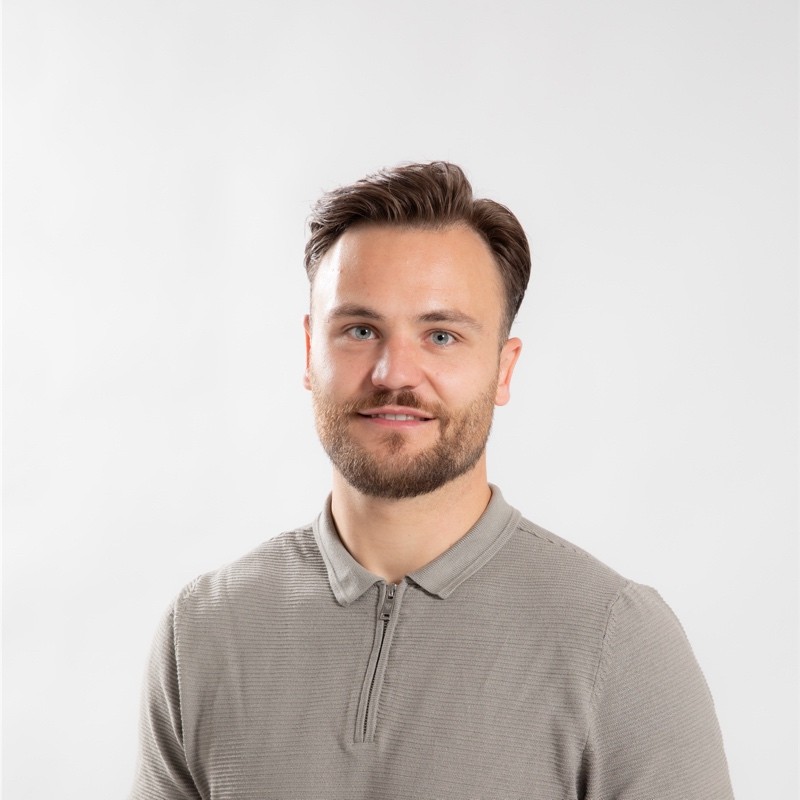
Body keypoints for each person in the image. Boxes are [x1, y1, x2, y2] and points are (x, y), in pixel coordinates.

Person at [130, 162, 734, 799]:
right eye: (360, 330)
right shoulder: (202, 631)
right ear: (310, 352)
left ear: (503, 369)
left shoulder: (618, 641)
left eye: (441, 335)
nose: (395, 373)